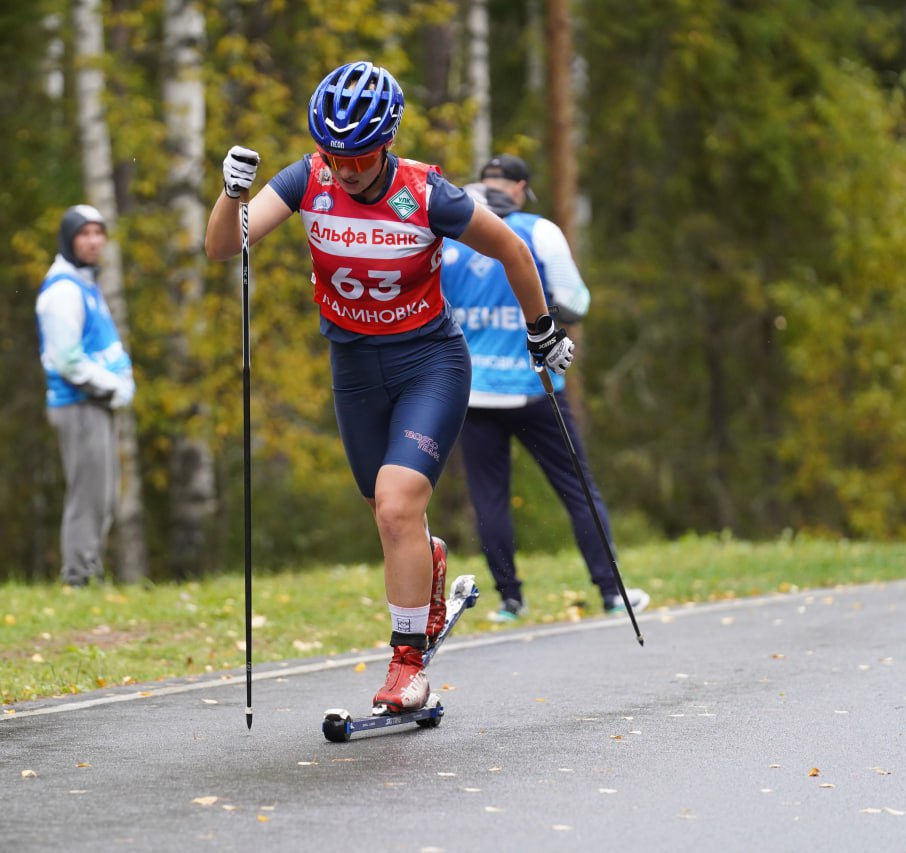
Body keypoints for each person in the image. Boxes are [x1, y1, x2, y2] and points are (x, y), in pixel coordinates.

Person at [204, 62, 574, 715]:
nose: (345, 169)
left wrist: (541, 330)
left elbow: (514, 252)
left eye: (360, 156)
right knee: (383, 506)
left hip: (429, 362)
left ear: (388, 141)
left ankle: (407, 665)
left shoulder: (428, 193)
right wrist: (231, 194)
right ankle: (425, 564)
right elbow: (221, 248)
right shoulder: (305, 177)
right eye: (334, 155)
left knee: (396, 503)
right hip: (353, 368)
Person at [438, 154, 650, 622]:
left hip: (473, 391)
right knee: (578, 490)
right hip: (536, 387)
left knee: (488, 498)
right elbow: (576, 300)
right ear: (518, 188)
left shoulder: (450, 233)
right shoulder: (539, 231)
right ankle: (612, 593)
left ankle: (511, 601)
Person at [36, 204, 135, 587]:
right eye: (84, 233)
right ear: (68, 238)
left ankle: (90, 571)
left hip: (96, 404)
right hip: (78, 404)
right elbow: (66, 359)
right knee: (87, 495)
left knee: (104, 496)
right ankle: (78, 578)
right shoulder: (62, 290)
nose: (94, 241)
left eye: (99, 232)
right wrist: (113, 386)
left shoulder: (85, 283)